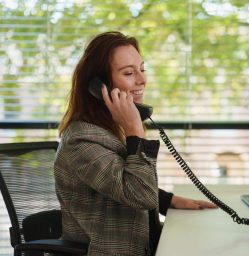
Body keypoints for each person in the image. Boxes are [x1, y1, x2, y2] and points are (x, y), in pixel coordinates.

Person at [54, 31, 217, 256]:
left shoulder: (108, 130)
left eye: (142, 69)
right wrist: (135, 131)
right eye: (129, 73)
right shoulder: (81, 141)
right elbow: (138, 194)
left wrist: (169, 200)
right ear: (99, 86)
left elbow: (116, 182)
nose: (142, 80)